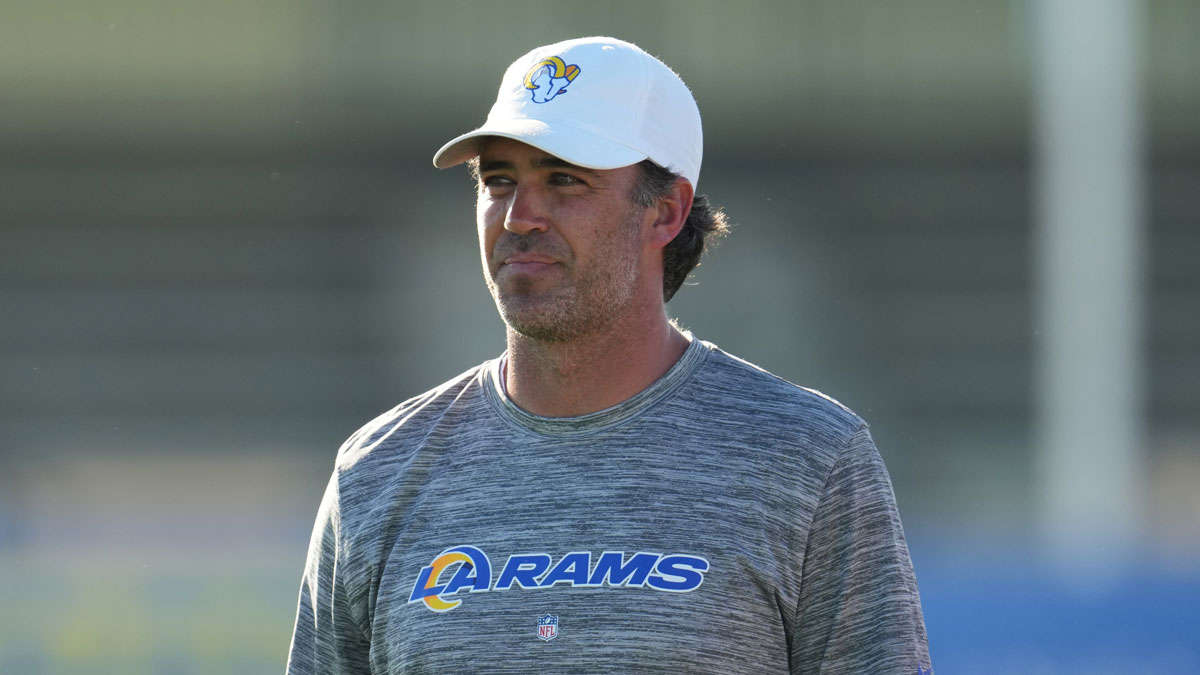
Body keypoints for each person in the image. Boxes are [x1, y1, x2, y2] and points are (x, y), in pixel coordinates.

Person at [286, 36, 932, 674]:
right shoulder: (376, 469)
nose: (518, 215)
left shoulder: (807, 458)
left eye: (564, 179)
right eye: (498, 179)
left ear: (667, 211)